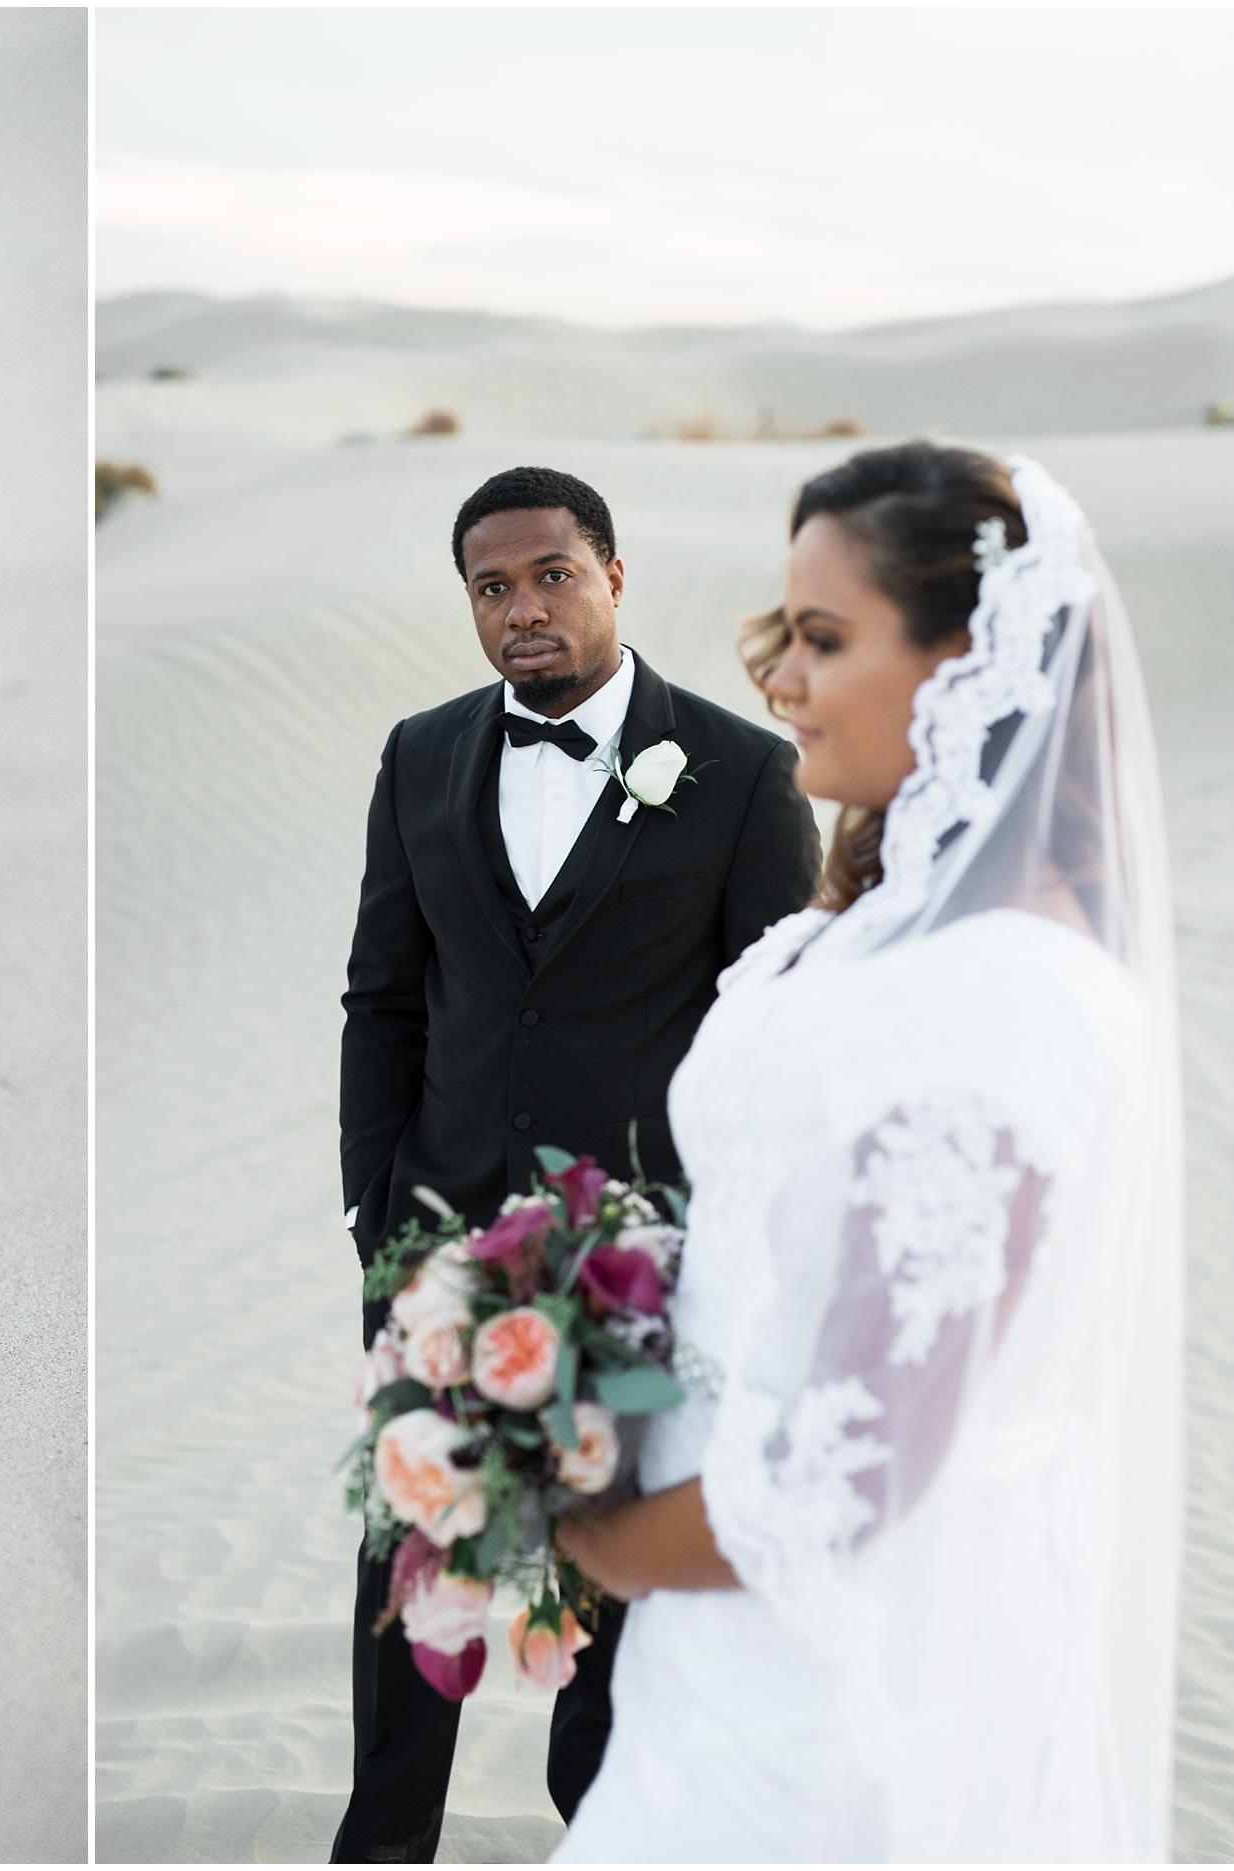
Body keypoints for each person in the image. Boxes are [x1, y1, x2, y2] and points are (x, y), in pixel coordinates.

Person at [550, 443, 1182, 1859]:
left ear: (971, 666)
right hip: (718, 1662)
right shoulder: (879, 928)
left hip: (855, 1686)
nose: (778, 683)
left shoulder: (1011, 997)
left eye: (824, 641)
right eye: (787, 635)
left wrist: (596, 1542)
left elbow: (857, 1464)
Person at [332, 466, 821, 1862]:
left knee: (608, 1556)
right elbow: (385, 995)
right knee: (404, 1542)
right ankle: (384, 1838)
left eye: (552, 575)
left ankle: (597, 1822)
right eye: (493, 588)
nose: (523, 610)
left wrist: (715, 1231)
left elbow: (762, 1035)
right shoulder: (421, 753)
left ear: (614, 576)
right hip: (433, 1230)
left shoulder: (739, 771)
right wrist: (379, 1200)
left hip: (635, 1249)